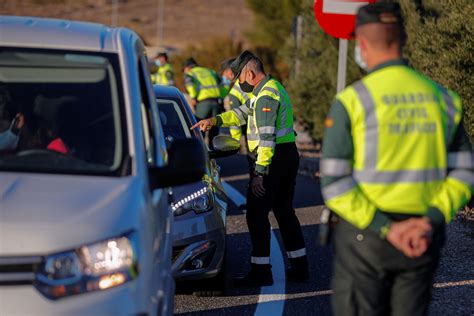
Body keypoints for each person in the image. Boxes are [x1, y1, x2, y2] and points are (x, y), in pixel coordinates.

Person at [320, 3, 473, 315]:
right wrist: (429, 220)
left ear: (361, 45)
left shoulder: (352, 101)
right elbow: (465, 173)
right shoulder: (443, 99)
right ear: (403, 39)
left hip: (367, 238)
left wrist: (386, 228)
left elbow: (334, 183)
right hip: (423, 239)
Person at [192, 51, 309, 286]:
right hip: (285, 155)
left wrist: (259, 174)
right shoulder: (265, 90)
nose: (238, 83)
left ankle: (261, 271)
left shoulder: (265, 97)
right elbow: (241, 113)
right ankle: (300, 267)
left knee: (256, 214)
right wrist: (214, 121)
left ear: (249, 73)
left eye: (238, 79)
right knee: (284, 212)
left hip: (273, 159)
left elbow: (266, 141)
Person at [183, 58, 223, 149]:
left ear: (187, 67)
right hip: (217, 103)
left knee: (199, 130)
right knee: (214, 131)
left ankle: (200, 153)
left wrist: (193, 97)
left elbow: (189, 85)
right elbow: (222, 84)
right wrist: (222, 97)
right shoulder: (210, 71)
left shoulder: (190, 73)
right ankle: (213, 154)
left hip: (203, 103)